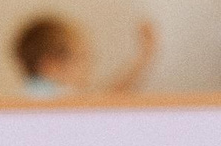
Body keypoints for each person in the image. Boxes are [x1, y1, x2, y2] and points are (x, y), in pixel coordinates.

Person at [12, 12, 157, 97]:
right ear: (51, 65)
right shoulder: (51, 99)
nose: (89, 66)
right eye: (82, 57)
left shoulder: (26, 94)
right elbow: (109, 99)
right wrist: (145, 56)